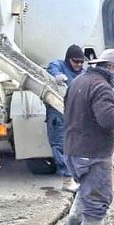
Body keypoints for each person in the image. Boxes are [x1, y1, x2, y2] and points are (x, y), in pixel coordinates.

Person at [63, 49, 114, 225]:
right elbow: (107, 119)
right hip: (92, 153)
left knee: (86, 190)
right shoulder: (101, 86)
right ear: (112, 67)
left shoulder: (78, 81)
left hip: (73, 150)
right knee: (97, 200)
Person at [45, 44, 85, 192]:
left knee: (77, 148)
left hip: (75, 116)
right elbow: (52, 69)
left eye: (81, 62)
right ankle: (67, 181)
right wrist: (57, 76)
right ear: (68, 59)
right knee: (60, 146)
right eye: (76, 61)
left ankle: (76, 177)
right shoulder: (58, 65)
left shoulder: (83, 73)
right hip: (58, 114)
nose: (79, 65)